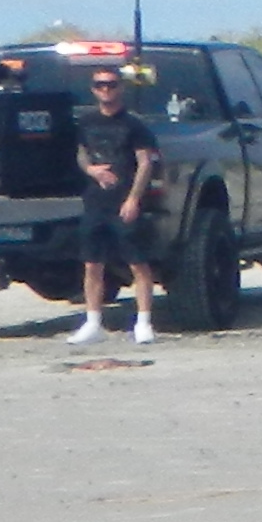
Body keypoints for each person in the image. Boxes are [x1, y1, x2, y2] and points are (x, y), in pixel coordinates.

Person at [65, 57, 166, 346]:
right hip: (96, 202)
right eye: (100, 85)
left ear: (120, 87)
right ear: (93, 89)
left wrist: (133, 199)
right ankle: (93, 322)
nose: (106, 89)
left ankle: (144, 322)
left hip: (124, 202)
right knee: (92, 264)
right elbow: (81, 153)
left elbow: (145, 162)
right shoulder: (86, 122)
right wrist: (91, 170)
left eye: (110, 84)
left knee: (137, 263)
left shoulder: (134, 125)